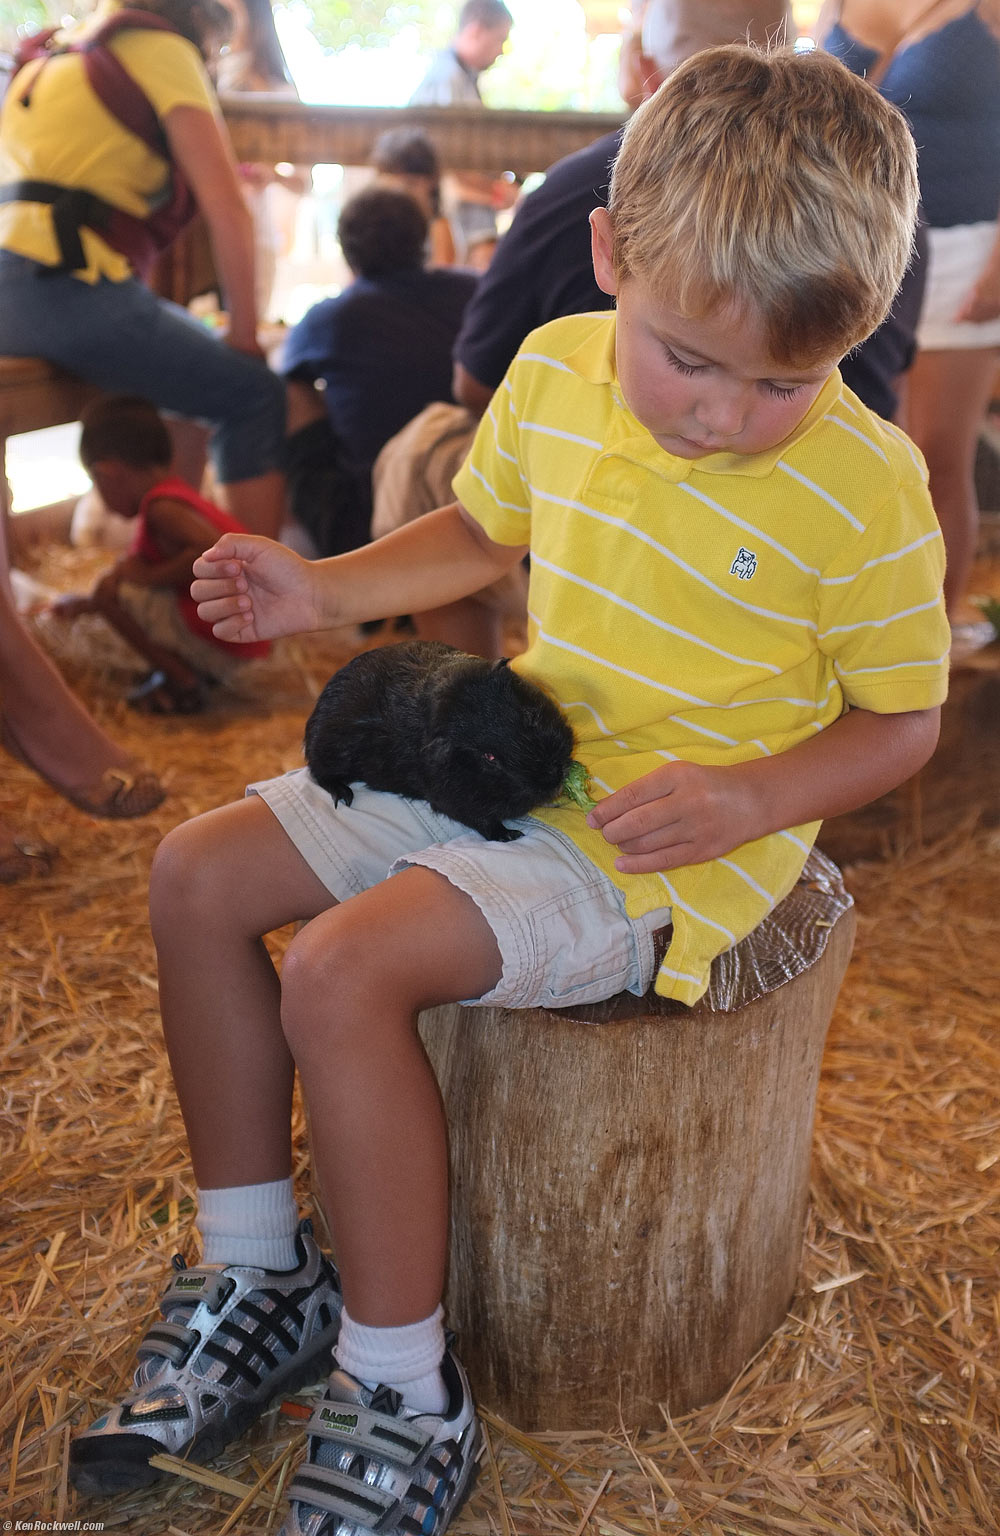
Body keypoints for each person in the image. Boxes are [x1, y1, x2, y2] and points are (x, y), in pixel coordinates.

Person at [69, 45, 949, 1536]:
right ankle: (255, 1272)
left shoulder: (864, 494)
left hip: (658, 849)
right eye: (686, 357)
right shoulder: (555, 371)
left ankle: (403, 1383)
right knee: (197, 877)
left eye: (785, 381)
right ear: (610, 252)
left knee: (345, 974)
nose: (723, 416)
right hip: (518, 756)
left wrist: (751, 798)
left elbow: (902, 722)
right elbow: (479, 538)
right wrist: (316, 590)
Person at [0, 0, 286, 539]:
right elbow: (228, 209)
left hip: (12, 284)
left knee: (191, 379)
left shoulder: (53, 53)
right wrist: (245, 335)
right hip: (65, 289)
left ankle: (173, 569)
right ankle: (259, 607)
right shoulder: (161, 50)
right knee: (254, 393)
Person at [819, 0, 1000, 625]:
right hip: (860, 249)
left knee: (937, 452)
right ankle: (860, 627)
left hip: (962, 245)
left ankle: (932, 646)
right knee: (858, 444)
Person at [281, 185, 478, 557]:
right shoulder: (473, 291)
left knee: (293, 388)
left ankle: (299, 545)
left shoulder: (328, 318)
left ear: (347, 251)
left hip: (367, 518)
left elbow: (287, 374)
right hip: (478, 493)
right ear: (424, 239)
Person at [50, 395, 271, 714]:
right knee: (113, 587)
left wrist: (147, 577)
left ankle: (183, 682)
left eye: (95, 482)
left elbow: (211, 550)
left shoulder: (162, 508)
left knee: (108, 593)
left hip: (232, 643)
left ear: (109, 473)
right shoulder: (174, 495)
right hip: (242, 634)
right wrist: (83, 606)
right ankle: (186, 672)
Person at [216, 0, 311, 319]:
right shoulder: (205, 76)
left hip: (254, 234)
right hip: (195, 233)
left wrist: (270, 175)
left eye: (231, 10)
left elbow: (303, 181)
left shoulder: (280, 94)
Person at [408, 0, 517, 269]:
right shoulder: (447, 79)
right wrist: (495, 192)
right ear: (476, 30)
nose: (501, 51)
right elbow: (449, 165)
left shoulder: (463, 79)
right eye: (499, 40)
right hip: (449, 225)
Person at [370, 126, 456, 267]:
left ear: (432, 182)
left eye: (411, 183)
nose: (401, 191)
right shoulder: (374, 227)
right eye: (392, 181)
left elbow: (442, 272)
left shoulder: (437, 228)